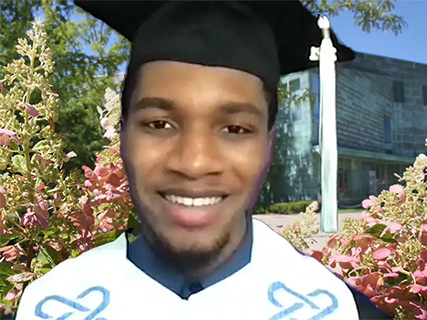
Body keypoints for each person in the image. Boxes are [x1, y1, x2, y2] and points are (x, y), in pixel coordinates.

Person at [16, 1, 390, 319]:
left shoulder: (336, 310)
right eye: (159, 123)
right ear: (124, 134)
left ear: (269, 144)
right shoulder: (52, 306)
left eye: (236, 129)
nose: (194, 163)